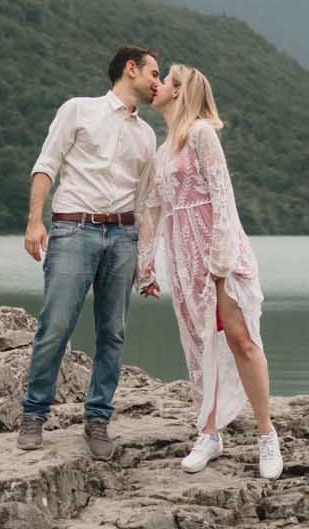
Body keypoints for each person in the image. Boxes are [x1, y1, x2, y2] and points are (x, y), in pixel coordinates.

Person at [137, 63, 282, 479]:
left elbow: (222, 197)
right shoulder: (162, 152)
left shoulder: (201, 134)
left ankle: (266, 434)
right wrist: (147, 266)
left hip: (217, 256)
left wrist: (219, 263)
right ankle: (209, 433)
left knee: (240, 340)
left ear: (180, 91)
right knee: (197, 345)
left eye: (165, 80)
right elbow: (153, 211)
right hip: (183, 259)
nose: (158, 85)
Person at [20, 45, 161, 458]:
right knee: (56, 325)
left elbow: (143, 202)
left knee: (112, 333)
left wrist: (147, 264)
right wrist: (34, 222)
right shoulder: (78, 110)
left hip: (123, 239)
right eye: (154, 73)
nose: (158, 82)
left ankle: (98, 420)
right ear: (130, 69)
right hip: (73, 230)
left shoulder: (147, 135)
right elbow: (46, 164)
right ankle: (33, 415)